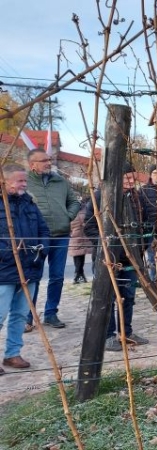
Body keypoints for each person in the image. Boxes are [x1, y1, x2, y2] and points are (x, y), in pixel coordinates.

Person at [84, 162, 155, 352]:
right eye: (127, 178)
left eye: (133, 177)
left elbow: (147, 225)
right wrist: (106, 247)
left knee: (128, 296)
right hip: (108, 258)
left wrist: (141, 247)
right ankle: (107, 336)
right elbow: (89, 226)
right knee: (107, 297)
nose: (131, 182)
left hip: (131, 258)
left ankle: (126, 332)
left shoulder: (138, 198)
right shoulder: (101, 196)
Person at [0, 163, 49, 375]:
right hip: (3, 271)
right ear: (5, 181)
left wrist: (42, 250)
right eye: (20, 180)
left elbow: (43, 230)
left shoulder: (29, 203)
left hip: (30, 268)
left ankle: (12, 353)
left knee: (20, 314)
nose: (24, 184)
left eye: (25, 181)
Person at [25, 149, 81, 330]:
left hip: (61, 235)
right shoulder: (25, 183)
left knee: (57, 276)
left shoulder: (60, 181)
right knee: (33, 277)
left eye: (49, 159)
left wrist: (67, 216)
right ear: (32, 164)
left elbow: (74, 202)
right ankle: (28, 316)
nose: (48, 163)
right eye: (43, 161)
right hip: (36, 238)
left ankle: (51, 313)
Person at [69, 198, 93, 284]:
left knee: (89, 255)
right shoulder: (68, 209)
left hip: (86, 237)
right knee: (77, 256)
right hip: (75, 237)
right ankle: (78, 274)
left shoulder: (85, 208)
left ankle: (80, 275)